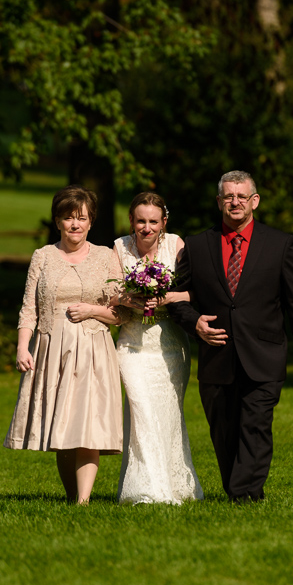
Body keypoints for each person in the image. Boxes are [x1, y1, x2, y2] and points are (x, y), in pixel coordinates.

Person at [168, 170, 293, 503]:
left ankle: (245, 495)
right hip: (217, 355)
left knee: (255, 425)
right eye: (228, 196)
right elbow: (176, 299)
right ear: (219, 201)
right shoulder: (197, 246)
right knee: (223, 431)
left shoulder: (279, 244)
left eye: (241, 196)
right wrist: (195, 323)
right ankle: (240, 489)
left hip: (264, 354)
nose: (234, 202)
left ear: (254, 201)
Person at [4, 185, 125, 505]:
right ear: (57, 221)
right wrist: (22, 347)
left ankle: (83, 500)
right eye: (68, 218)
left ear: (91, 221)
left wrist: (91, 311)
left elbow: (121, 312)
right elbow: (29, 308)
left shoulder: (105, 256)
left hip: (92, 351)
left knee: (87, 425)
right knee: (63, 427)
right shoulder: (42, 256)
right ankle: (72, 497)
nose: (75, 224)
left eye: (81, 218)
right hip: (51, 349)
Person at [112, 192, 203, 505]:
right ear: (131, 221)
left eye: (153, 221)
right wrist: (128, 298)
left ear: (164, 222)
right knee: (141, 412)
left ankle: (177, 485)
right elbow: (107, 293)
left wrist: (167, 298)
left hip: (170, 343)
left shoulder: (176, 245)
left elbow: (198, 293)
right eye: (140, 221)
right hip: (132, 343)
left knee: (167, 413)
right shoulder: (118, 246)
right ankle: (146, 490)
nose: (146, 228)